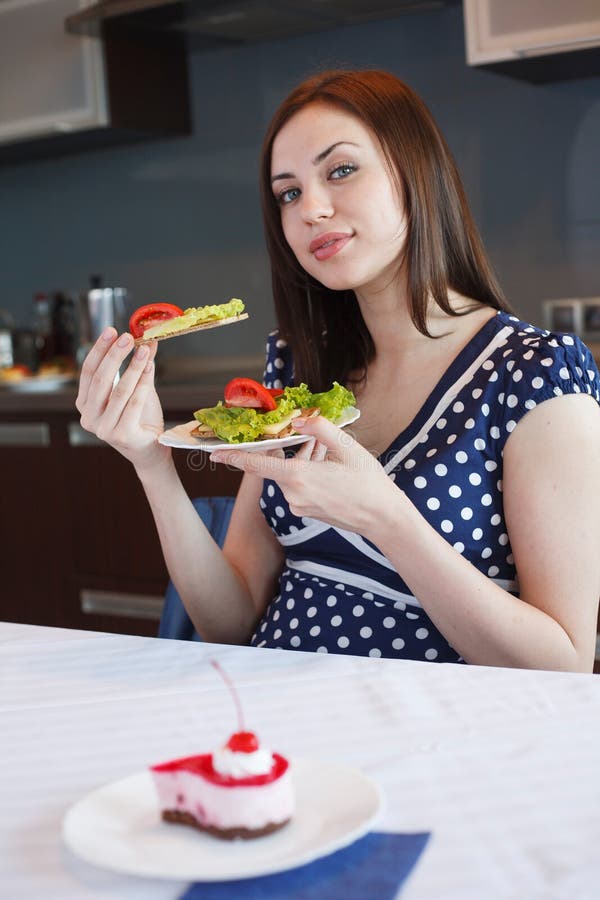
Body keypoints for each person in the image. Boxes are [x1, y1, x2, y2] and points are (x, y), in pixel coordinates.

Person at [76, 69, 600, 671]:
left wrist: (385, 515)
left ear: (414, 170)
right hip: (276, 724)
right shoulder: (300, 362)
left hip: (434, 738)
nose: (311, 210)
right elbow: (230, 619)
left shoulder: (533, 373)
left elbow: (563, 668)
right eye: (288, 193)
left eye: (341, 170)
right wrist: (153, 465)